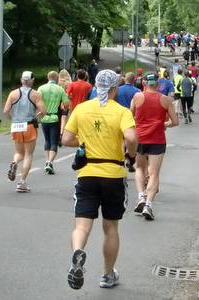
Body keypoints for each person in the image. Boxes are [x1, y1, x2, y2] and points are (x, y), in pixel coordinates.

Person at [62, 69, 138, 290]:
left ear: (96, 86)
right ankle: (107, 274)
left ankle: (78, 252)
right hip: (113, 174)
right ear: (114, 88)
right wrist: (130, 154)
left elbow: (66, 138)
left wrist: (84, 142)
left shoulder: (82, 109)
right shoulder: (121, 111)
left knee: (82, 225)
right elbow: (132, 137)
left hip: (87, 173)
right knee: (111, 227)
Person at [131, 73, 178, 220]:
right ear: (157, 85)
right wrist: (164, 124)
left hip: (140, 138)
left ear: (145, 83)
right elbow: (175, 121)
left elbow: (130, 117)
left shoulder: (137, 97)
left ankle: (140, 197)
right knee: (154, 174)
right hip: (157, 139)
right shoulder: (165, 100)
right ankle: (148, 205)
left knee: (139, 168)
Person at [4, 71, 46, 192]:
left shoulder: (13, 94)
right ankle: (22, 182)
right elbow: (43, 111)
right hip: (29, 126)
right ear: (32, 80)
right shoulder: (35, 94)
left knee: (19, 152)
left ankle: (14, 162)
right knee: (28, 154)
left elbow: (6, 111)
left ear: (22, 80)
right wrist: (38, 116)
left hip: (16, 125)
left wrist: (13, 119)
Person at [38, 71, 69, 174]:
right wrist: (64, 107)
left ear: (48, 77)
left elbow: (37, 101)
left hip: (44, 118)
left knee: (47, 140)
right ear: (56, 78)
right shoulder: (60, 89)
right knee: (54, 142)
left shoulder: (41, 88)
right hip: (55, 118)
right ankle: (50, 162)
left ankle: (47, 161)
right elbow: (66, 103)